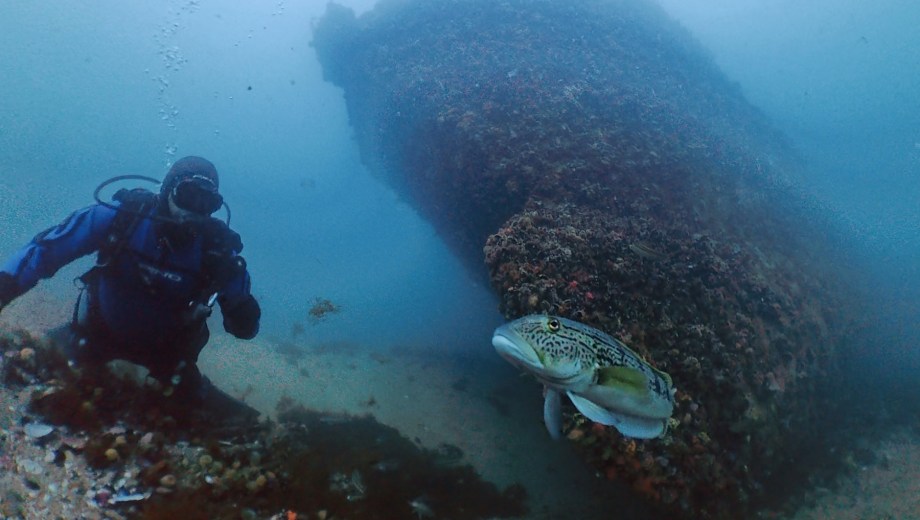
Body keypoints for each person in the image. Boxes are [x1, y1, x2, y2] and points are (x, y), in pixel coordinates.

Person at [0, 156, 261, 408]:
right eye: (188, 195)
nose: (193, 211)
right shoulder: (123, 218)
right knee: (32, 366)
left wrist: (242, 311)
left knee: (211, 415)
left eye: (205, 203)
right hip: (94, 335)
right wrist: (5, 286)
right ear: (168, 190)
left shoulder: (217, 251)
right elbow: (47, 251)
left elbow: (245, 328)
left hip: (168, 359)